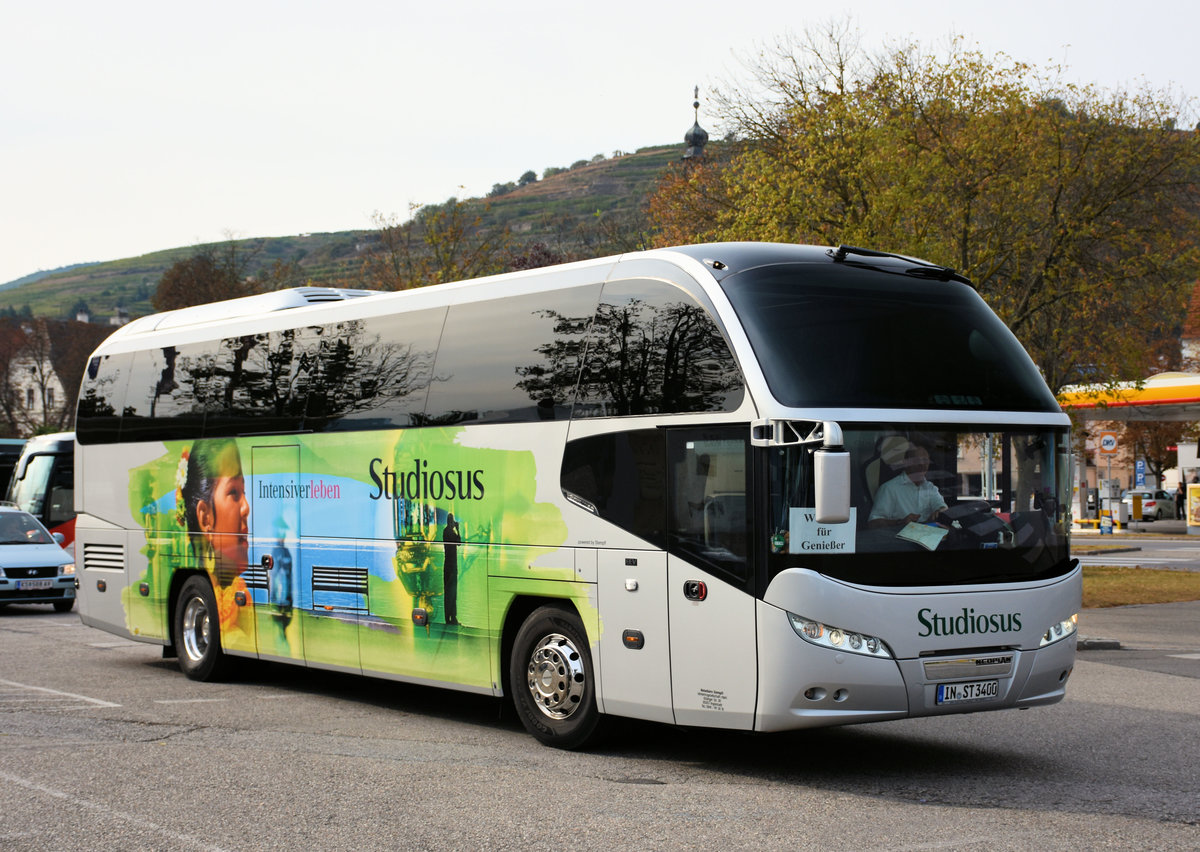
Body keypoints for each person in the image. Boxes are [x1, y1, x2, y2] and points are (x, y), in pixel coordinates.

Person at [868, 445, 947, 529]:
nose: (922, 465)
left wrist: (940, 511)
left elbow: (941, 507)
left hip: (928, 536)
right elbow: (873, 524)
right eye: (917, 461)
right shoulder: (889, 488)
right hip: (900, 539)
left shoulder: (930, 488)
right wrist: (900, 522)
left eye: (925, 461)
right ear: (906, 463)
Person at [442, 513, 461, 625]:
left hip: (449, 566)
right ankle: (451, 617)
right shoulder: (449, 532)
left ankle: (451, 617)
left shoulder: (446, 531)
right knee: (451, 592)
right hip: (451, 566)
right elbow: (459, 543)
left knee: (450, 592)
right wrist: (458, 529)